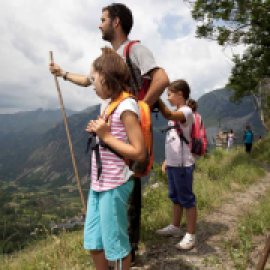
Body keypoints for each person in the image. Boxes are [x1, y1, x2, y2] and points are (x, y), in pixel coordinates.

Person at [50, 4, 169, 264]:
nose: (99, 24)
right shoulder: (109, 58)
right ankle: (125, 254)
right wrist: (63, 74)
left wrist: (140, 109)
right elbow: (90, 80)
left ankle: (128, 255)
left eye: (103, 19)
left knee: (125, 206)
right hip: (111, 135)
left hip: (122, 137)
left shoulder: (134, 50)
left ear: (116, 22)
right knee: (115, 215)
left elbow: (161, 79)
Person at [84, 48, 146, 270]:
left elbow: (140, 152)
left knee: (115, 244)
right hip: (99, 184)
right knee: (94, 241)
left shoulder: (127, 105)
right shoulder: (110, 105)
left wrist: (106, 136)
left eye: (94, 79)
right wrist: (99, 133)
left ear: (106, 75)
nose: (92, 85)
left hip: (114, 184)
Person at [156, 80, 197, 250]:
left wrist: (154, 96)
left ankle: (190, 234)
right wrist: (167, 160)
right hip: (174, 163)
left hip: (183, 164)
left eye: (169, 94)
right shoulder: (176, 112)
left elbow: (169, 115)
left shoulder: (186, 112)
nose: (167, 98)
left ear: (180, 94)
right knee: (175, 196)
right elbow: (173, 138)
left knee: (187, 198)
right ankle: (175, 226)